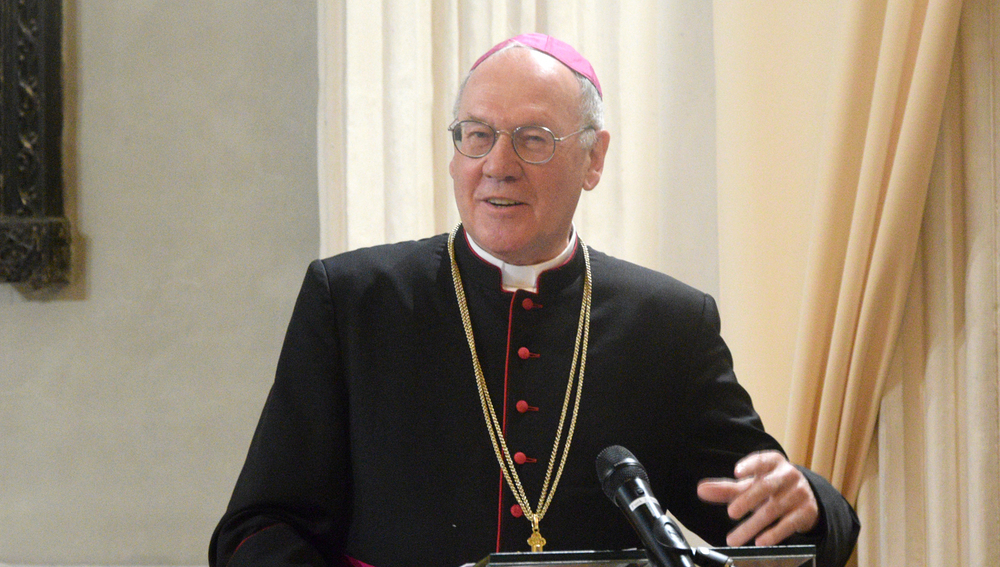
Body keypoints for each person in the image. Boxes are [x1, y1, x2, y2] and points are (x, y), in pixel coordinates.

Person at [210, 33, 859, 567]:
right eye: (477, 134)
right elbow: (258, 529)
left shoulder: (667, 324)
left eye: (534, 138)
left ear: (594, 158)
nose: (498, 164)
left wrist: (807, 498)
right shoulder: (355, 301)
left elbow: (762, 517)